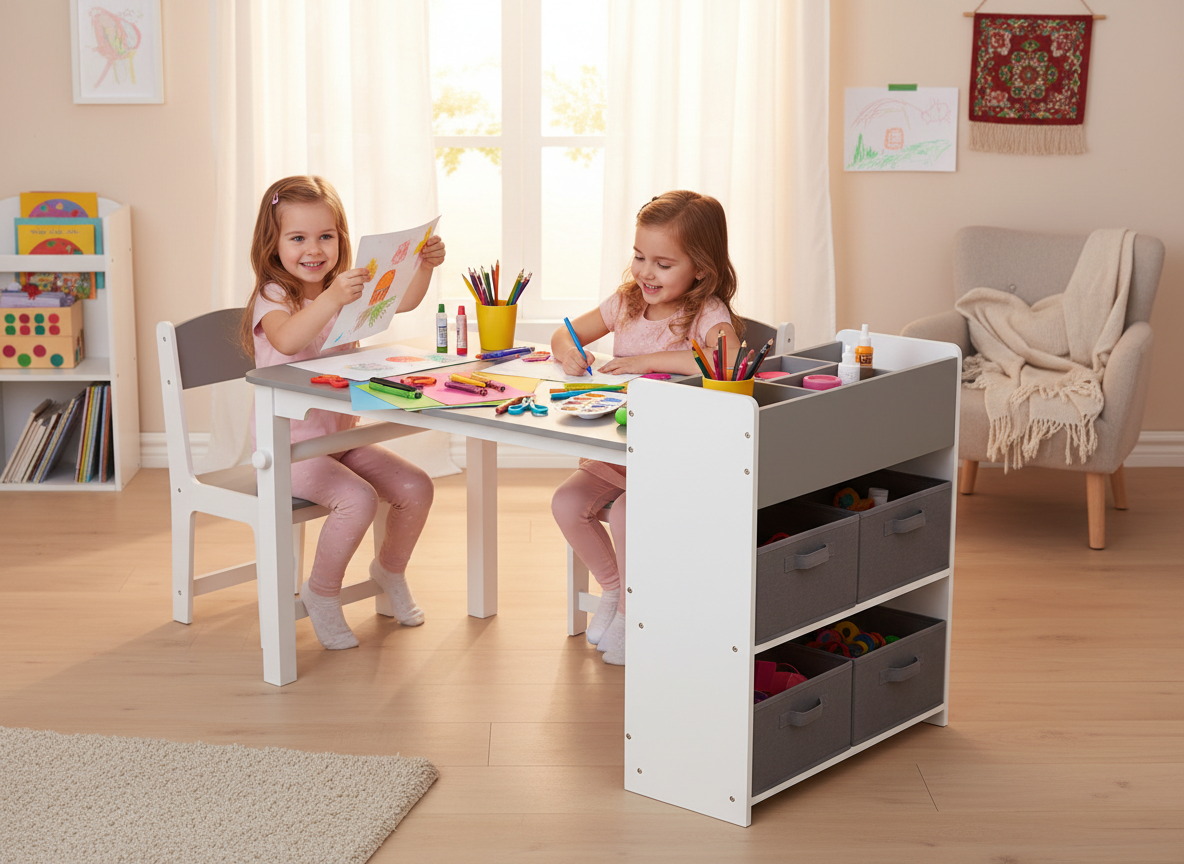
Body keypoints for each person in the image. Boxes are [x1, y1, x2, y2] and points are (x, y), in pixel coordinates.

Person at [239, 175, 445, 649]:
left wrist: (424, 266)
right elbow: (288, 340)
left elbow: (401, 301)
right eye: (298, 238)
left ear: (340, 239)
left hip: (339, 440)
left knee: (416, 487)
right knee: (358, 499)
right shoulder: (273, 298)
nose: (314, 249)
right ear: (273, 244)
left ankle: (388, 571)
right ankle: (322, 592)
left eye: (325, 237)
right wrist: (331, 299)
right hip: (287, 448)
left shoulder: (342, 286)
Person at [550, 190, 743, 665]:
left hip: (676, 459)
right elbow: (565, 332)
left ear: (701, 268)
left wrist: (643, 360)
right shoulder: (627, 303)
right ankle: (615, 592)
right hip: (620, 450)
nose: (645, 273)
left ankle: (639, 614)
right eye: (639, 257)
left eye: (662, 263)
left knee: (623, 515)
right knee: (567, 503)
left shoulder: (707, 313)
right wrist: (567, 349)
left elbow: (728, 358)